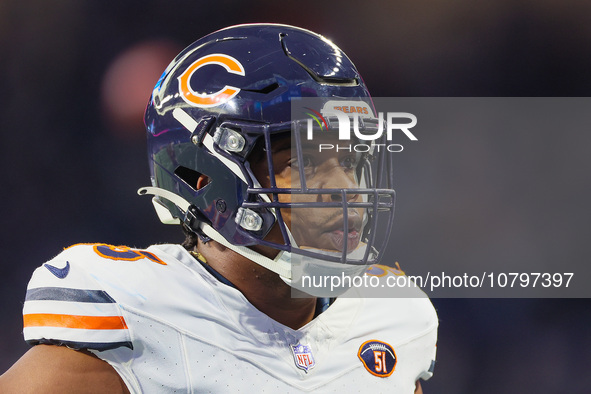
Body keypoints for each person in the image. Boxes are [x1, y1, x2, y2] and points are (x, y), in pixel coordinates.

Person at [0, 23, 437, 393]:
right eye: (302, 165)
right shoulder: (139, 309)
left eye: (348, 162)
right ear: (204, 177)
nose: (347, 190)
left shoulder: (390, 316)